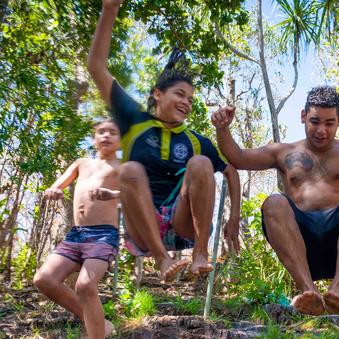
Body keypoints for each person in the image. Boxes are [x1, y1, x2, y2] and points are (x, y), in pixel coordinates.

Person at [211, 86, 339, 315]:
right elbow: (238, 158)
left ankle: (337, 292)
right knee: (273, 202)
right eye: (315, 121)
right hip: (299, 244)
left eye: (329, 123)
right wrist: (222, 129)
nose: (321, 130)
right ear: (303, 116)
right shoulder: (283, 152)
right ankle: (309, 293)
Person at [87, 0, 241, 281]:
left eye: (191, 99)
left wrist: (233, 219)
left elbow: (231, 171)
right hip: (142, 228)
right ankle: (161, 259)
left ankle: (200, 255)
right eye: (180, 94)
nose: (186, 102)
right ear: (158, 94)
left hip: (181, 224)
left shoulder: (195, 140)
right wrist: (109, 9)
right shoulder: (135, 122)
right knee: (131, 169)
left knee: (201, 162)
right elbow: (97, 67)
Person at [33, 119, 121, 339]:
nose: (105, 136)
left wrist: (111, 193)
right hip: (76, 235)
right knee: (44, 280)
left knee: (85, 285)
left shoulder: (122, 167)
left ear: (120, 139)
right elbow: (60, 184)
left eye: (112, 132)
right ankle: (100, 323)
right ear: (94, 138)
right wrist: (54, 190)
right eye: (100, 132)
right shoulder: (81, 163)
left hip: (103, 234)